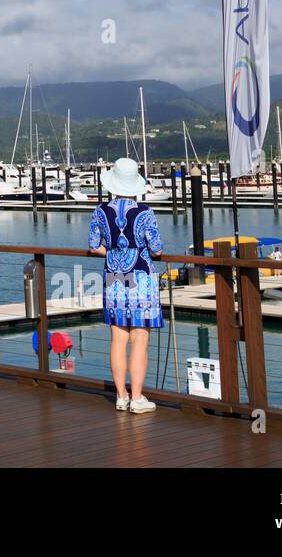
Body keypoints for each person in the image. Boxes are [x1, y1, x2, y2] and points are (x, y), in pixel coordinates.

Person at [88, 157, 163, 413]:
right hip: (141, 277)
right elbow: (157, 248)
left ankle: (121, 396)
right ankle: (138, 398)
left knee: (118, 338)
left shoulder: (100, 210)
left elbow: (93, 245)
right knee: (140, 338)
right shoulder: (145, 212)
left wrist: (111, 253)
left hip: (114, 278)